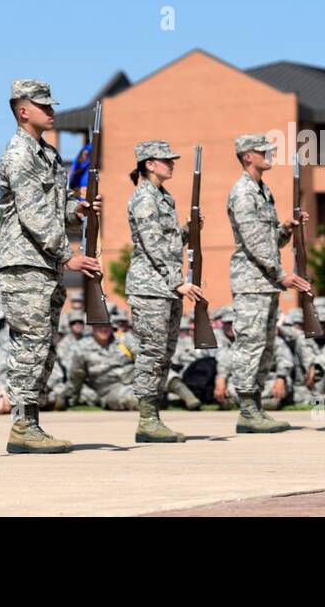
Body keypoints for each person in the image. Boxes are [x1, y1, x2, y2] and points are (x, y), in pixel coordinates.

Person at [0, 79, 101, 454]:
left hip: (44, 263)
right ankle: (23, 424)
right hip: (26, 261)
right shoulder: (20, 153)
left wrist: (78, 208)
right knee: (30, 344)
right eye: (44, 106)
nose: (52, 111)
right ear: (23, 111)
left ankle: (32, 422)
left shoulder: (49, 155)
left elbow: (58, 208)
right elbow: (34, 213)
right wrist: (66, 253)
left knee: (43, 345)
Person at [225, 133, 311, 433]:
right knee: (251, 344)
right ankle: (247, 410)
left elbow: (271, 239)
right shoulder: (244, 192)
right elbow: (254, 242)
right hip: (252, 281)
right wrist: (281, 274)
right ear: (247, 156)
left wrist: (286, 228)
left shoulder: (262, 190)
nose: (268, 155)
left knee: (265, 346)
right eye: (262, 151)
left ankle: (255, 407)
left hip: (265, 281)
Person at [125, 139, 206, 442]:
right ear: (149, 164)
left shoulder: (163, 197)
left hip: (165, 288)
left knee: (164, 355)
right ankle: (147, 419)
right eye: (166, 159)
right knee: (151, 354)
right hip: (152, 289)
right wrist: (178, 281)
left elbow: (168, 243)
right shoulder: (145, 198)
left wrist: (188, 230)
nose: (171, 163)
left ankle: (154, 417)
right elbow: (153, 246)